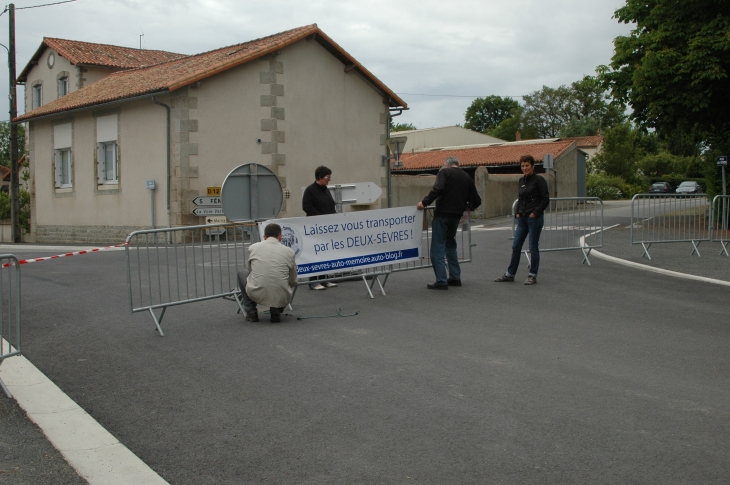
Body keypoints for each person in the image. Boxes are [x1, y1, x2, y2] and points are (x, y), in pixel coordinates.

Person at [417, 156, 481, 290]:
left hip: (442, 214)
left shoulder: (444, 172)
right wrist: (466, 205)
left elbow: (438, 189)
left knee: (437, 247)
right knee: (450, 244)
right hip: (456, 215)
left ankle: (441, 279)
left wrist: (424, 202)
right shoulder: (466, 177)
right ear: (458, 164)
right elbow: (477, 200)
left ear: (446, 164)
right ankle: (455, 277)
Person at [494, 154, 550, 285]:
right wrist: (518, 212)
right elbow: (521, 198)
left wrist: (535, 213)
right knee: (516, 245)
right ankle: (510, 273)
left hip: (534, 219)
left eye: (527, 166)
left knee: (533, 247)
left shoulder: (539, 180)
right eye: (522, 166)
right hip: (522, 218)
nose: (524, 168)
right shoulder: (521, 181)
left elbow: (545, 199)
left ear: (533, 166)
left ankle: (532, 275)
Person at [237, 223, 298, 323]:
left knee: (242, 273)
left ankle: (251, 311)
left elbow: (251, 270)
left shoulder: (253, 247)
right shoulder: (289, 252)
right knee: (285, 279)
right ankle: (276, 309)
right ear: (280, 236)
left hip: (256, 292)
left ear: (264, 237)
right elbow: (293, 280)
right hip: (280, 294)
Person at [302, 165, 338, 290]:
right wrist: (321, 217)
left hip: (327, 227)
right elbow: (306, 206)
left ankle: (324, 278)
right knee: (315, 254)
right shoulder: (310, 190)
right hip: (315, 228)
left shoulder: (326, 190)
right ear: (319, 177)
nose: (329, 179)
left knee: (325, 253)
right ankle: (313, 281)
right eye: (327, 177)